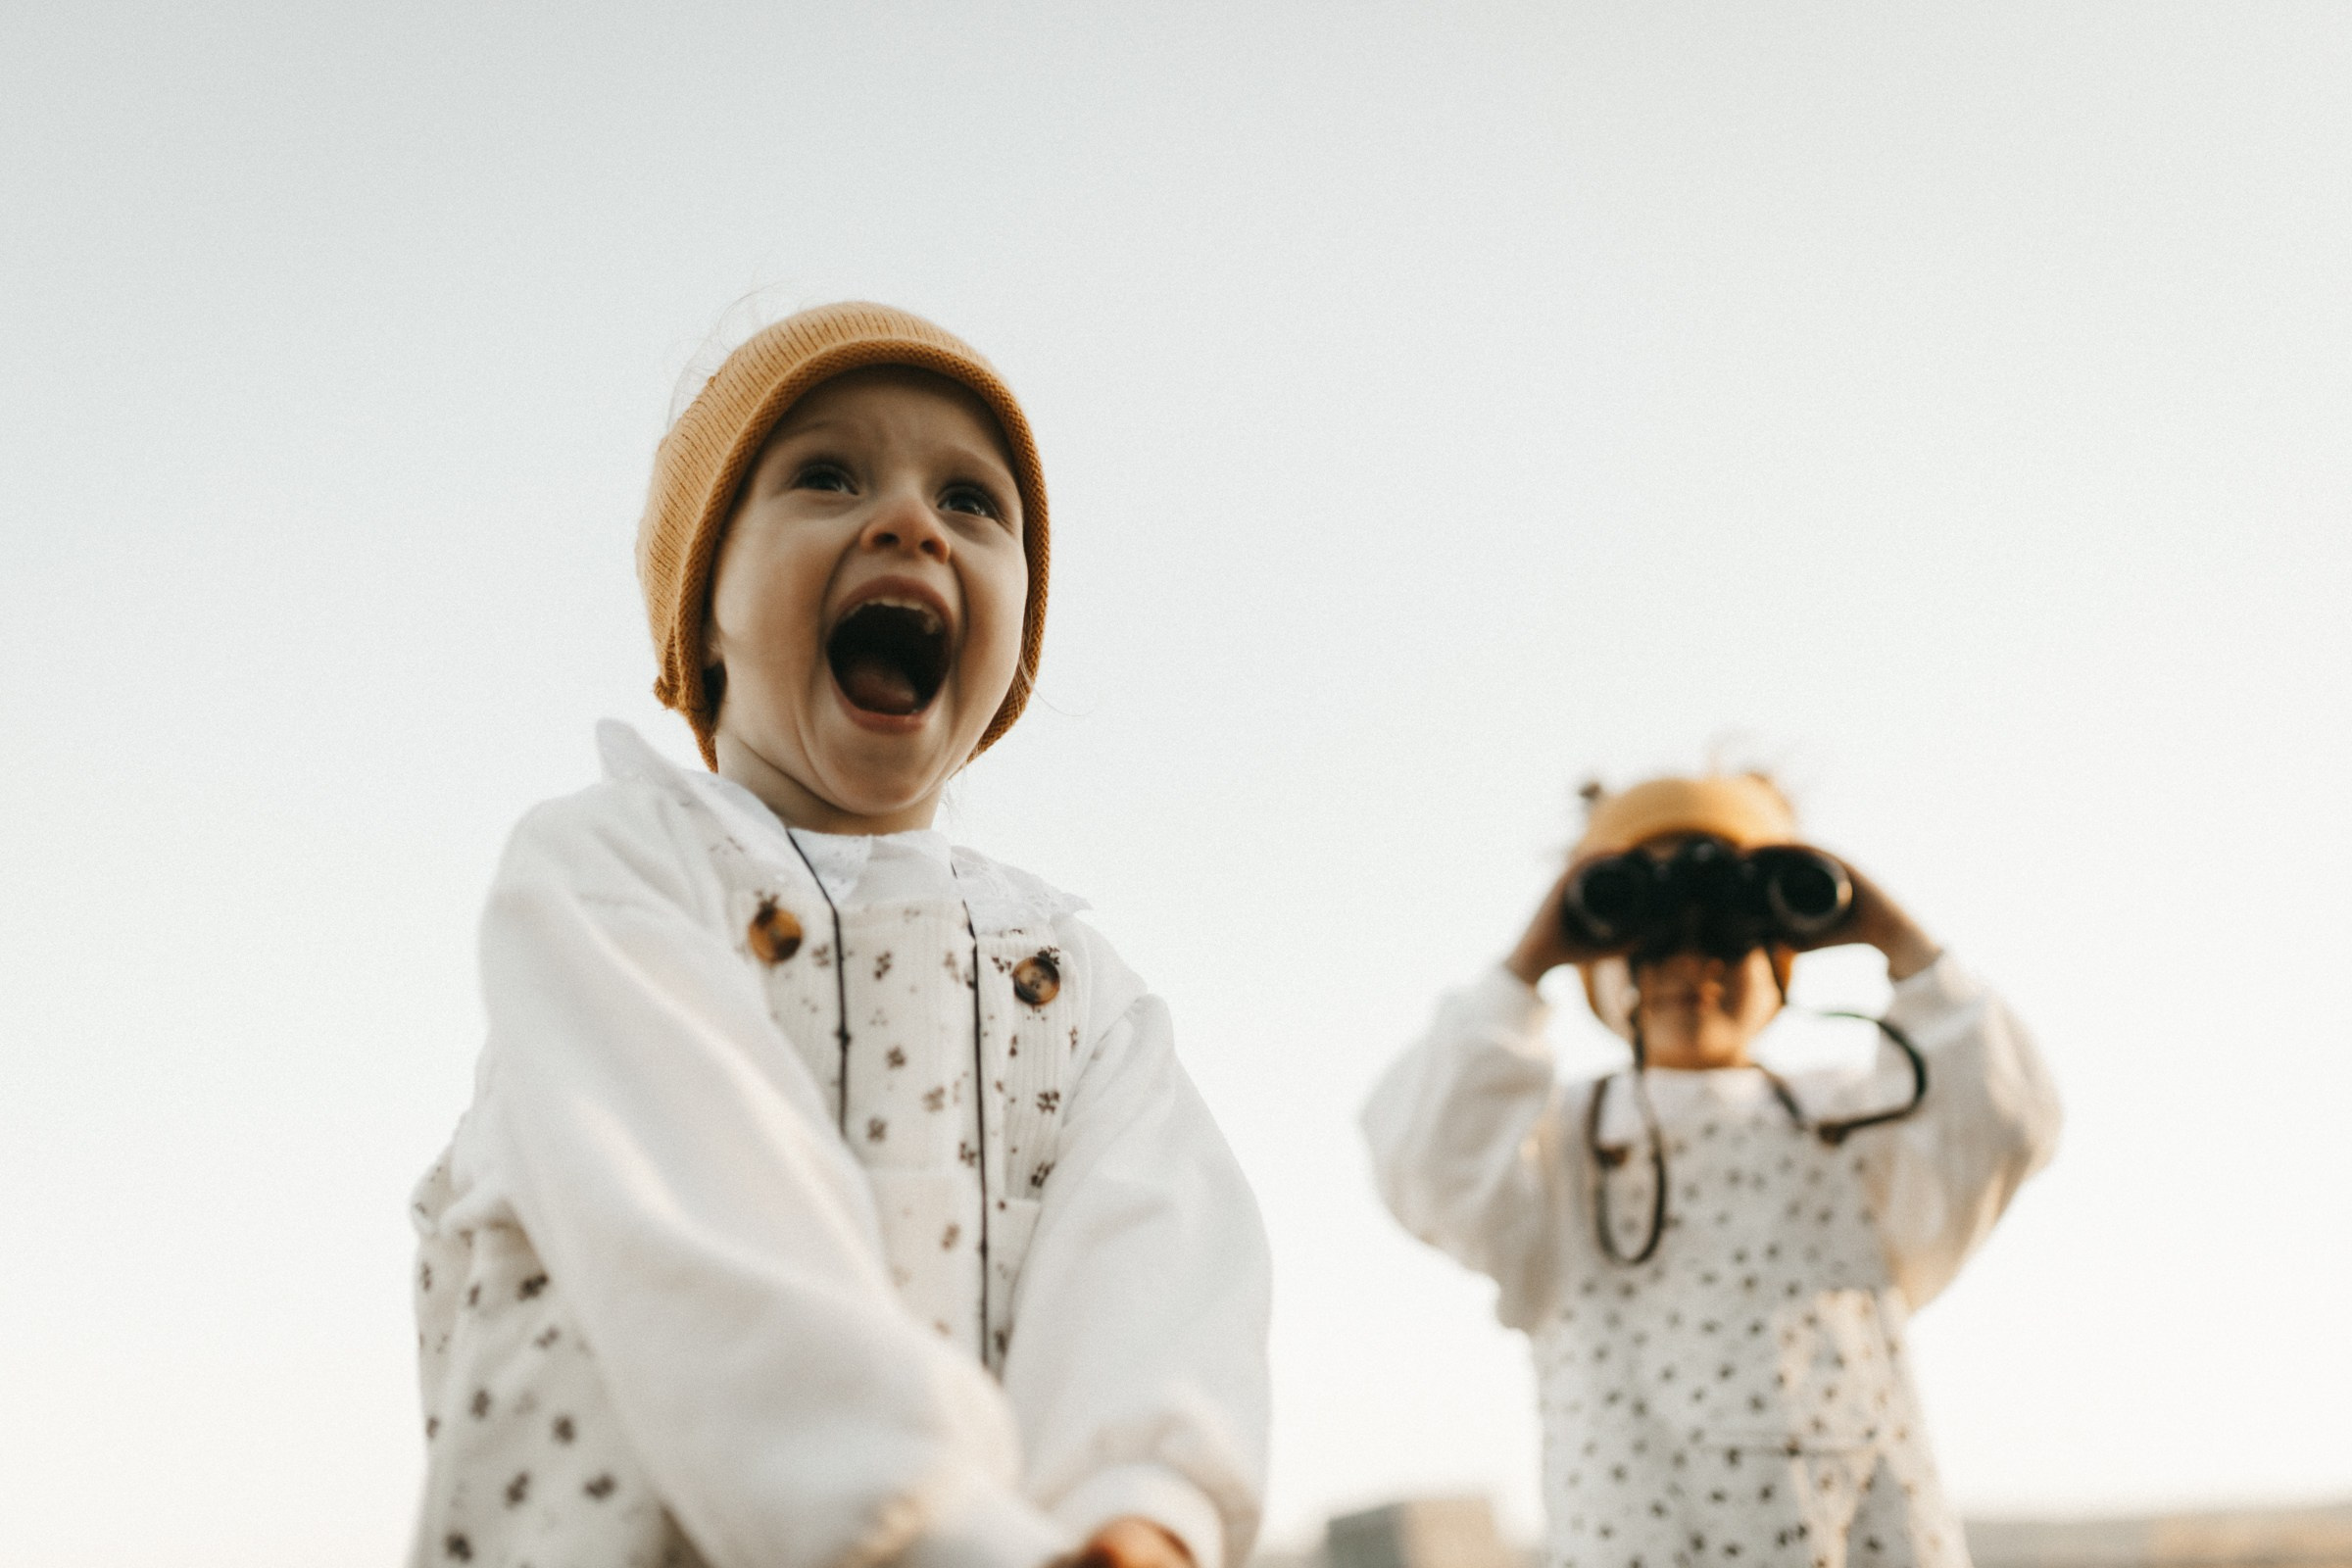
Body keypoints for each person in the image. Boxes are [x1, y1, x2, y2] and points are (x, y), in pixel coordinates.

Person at [406, 304, 1269, 1568]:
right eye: (826, 475)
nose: (911, 520)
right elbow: (689, 1221)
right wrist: (933, 1530)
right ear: (702, 613)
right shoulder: (613, 870)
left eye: (973, 503)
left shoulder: (1074, 991)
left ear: (1015, 646)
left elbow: (1165, 1260)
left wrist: (1139, 1509)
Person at [1362, 772, 2060, 1568]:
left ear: (1783, 957)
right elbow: (1423, 1160)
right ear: (1596, 959)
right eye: (1649, 937)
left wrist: (1899, 941)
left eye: (1729, 935)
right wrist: (1524, 967)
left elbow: (2004, 1121)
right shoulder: (1554, 1145)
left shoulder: (1853, 1117)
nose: (1689, 961)